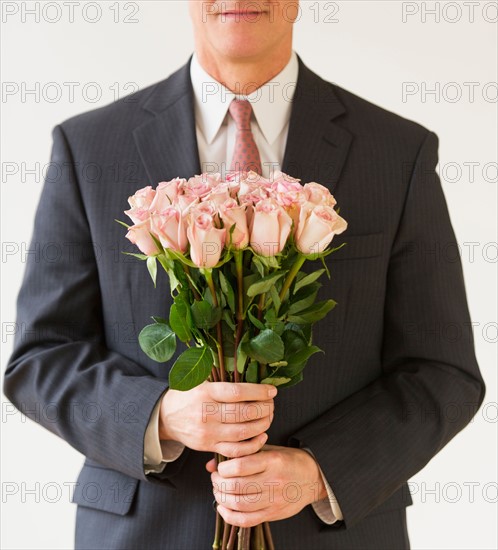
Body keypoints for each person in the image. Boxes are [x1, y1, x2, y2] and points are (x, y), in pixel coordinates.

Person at [3, 1, 485, 549]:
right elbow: (41, 360)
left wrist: (318, 471)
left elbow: (442, 372)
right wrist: (159, 417)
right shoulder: (89, 146)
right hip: (143, 534)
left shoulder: (398, 152)